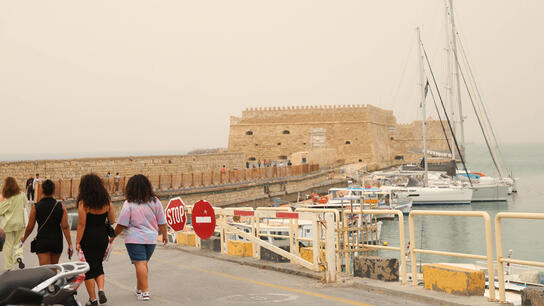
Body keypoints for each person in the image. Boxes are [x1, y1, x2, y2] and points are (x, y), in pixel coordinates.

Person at [111, 174, 167, 302]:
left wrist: (112, 236)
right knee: (143, 263)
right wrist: (164, 234)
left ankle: (145, 291)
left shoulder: (129, 203)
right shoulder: (155, 201)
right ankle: (139, 288)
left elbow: (122, 223)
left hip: (134, 238)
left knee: (140, 263)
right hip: (151, 239)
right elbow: (162, 220)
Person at [75, 174, 115, 306]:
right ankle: (101, 290)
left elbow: (82, 224)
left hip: (88, 237)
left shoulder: (84, 203)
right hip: (102, 237)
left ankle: (92, 300)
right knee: (98, 265)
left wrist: (77, 242)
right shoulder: (106, 201)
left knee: (88, 269)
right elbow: (113, 220)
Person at [21, 180, 73, 265]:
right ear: (54, 191)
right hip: (57, 240)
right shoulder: (61, 207)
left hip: (42, 240)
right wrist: (70, 244)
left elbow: (30, 227)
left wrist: (24, 238)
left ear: (42, 191)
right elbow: (65, 227)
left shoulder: (36, 207)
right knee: (54, 269)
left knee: (45, 271)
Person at [0, 177, 26, 270]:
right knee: (18, 242)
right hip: (20, 223)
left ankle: (9, 267)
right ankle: (19, 257)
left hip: (8, 225)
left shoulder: (6, 197)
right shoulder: (22, 194)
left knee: (8, 245)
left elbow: (0, 210)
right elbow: (25, 206)